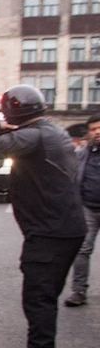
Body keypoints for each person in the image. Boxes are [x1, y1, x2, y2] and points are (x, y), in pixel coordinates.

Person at [0, 85, 86, 348]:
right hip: (59, 229)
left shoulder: (35, 135)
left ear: (15, 111)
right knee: (39, 297)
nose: (2, 116)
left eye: (4, 111)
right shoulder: (49, 132)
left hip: (52, 232)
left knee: (39, 299)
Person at [65, 114, 100, 307]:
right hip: (88, 207)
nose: (97, 132)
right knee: (83, 250)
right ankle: (78, 291)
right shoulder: (82, 154)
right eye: (94, 129)